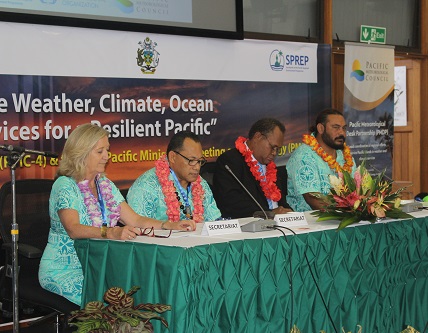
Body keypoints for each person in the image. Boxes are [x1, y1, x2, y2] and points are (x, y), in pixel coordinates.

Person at [38, 124, 195, 306]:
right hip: (64, 270)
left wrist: (168, 225)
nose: (107, 156)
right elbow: (73, 229)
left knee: (139, 295)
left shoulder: (104, 184)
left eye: (107, 150)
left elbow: (135, 220)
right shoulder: (65, 185)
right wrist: (111, 233)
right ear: (81, 153)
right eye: (100, 151)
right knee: (112, 305)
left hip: (99, 266)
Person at [127, 131, 221, 222]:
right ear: (173, 157)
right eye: (191, 160)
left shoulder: (201, 185)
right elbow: (137, 228)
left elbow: (215, 223)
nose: (197, 167)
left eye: (200, 161)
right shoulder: (146, 186)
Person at [213, 118, 292, 219]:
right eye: (272, 147)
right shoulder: (230, 161)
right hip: (252, 225)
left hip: (281, 223)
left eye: (278, 149)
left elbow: (281, 202)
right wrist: (269, 213)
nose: (274, 153)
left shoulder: (270, 166)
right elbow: (231, 203)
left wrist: (291, 215)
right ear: (258, 137)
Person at [286, 108, 357, 212]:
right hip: (310, 222)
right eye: (336, 127)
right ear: (320, 128)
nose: (342, 133)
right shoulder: (303, 156)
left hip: (345, 217)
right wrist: (344, 213)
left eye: (344, 128)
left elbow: (357, 190)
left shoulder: (345, 156)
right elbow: (313, 199)